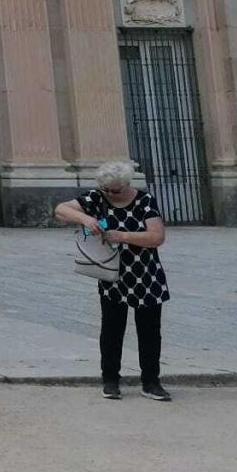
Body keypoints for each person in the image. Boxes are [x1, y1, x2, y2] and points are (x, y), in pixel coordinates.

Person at [55, 161, 172, 401]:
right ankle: (110, 380)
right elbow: (60, 210)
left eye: (115, 190)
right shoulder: (97, 198)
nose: (110, 194)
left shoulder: (144, 200)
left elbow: (157, 236)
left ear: (127, 184)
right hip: (112, 274)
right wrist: (86, 219)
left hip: (145, 274)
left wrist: (124, 236)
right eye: (107, 189)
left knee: (150, 331)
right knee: (111, 329)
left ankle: (151, 382)